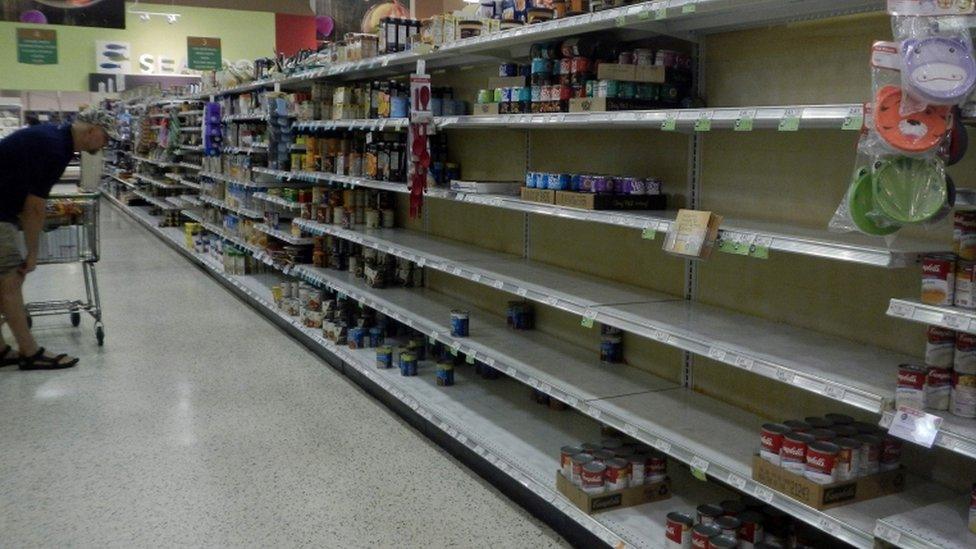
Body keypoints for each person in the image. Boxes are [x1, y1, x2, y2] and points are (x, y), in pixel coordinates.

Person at [0, 107, 118, 370]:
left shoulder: (55, 138)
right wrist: (32, 253)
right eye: (106, 138)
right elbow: (34, 207)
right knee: (9, 281)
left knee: (4, 282)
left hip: (4, 208)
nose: (106, 145)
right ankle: (30, 353)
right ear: (92, 131)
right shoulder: (55, 149)